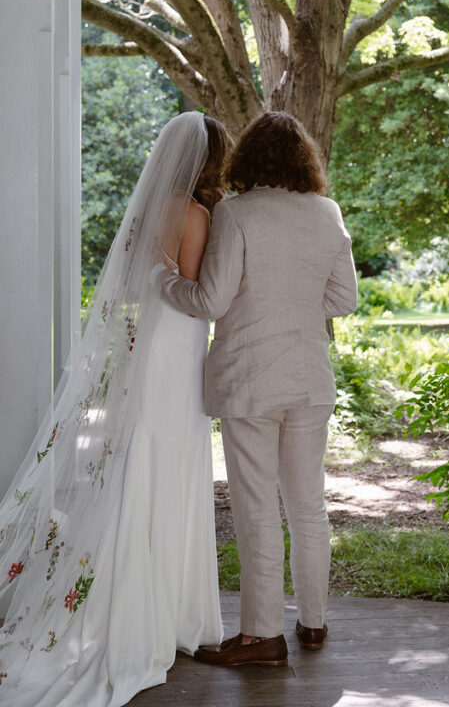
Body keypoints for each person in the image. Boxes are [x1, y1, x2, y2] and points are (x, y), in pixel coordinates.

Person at [0, 111, 228, 706]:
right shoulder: (197, 214)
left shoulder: (150, 208)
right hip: (178, 349)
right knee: (172, 467)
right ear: (209, 161)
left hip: (148, 349)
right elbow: (197, 293)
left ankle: (137, 606)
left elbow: (137, 282)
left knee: (142, 468)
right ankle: (169, 618)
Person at [156, 110, 357, 668]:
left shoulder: (235, 214)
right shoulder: (327, 212)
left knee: (256, 509)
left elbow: (210, 301)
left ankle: (261, 637)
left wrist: (161, 280)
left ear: (247, 157)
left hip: (250, 381)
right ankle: (314, 623)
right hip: (310, 379)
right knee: (308, 505)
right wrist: (293, 308)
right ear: (304, 160)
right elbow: (344, 301)